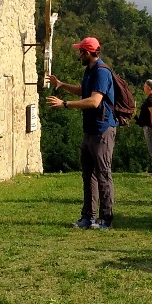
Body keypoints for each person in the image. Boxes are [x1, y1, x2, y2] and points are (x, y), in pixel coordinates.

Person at [47, 36, 118, 229]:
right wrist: (62, 85)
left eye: (80, 52)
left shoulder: (101, 72)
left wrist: (64, 104)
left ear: (87, 53)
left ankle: (106, 219)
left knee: (103, 174)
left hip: (102, 130)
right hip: (90, 130)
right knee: (88, 175)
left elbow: (94, 101)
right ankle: (88, 217)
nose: (78, 55)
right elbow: (83, 91)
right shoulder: (90, 71)